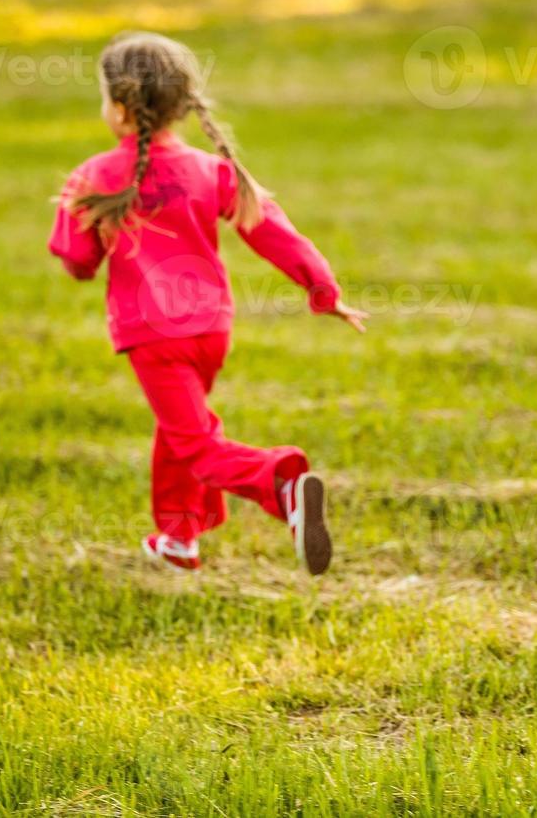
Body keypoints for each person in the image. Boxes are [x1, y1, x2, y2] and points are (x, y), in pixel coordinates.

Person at [49, 31, 366, 573]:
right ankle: (177, 539)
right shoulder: (209, 169)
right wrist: (323, 291)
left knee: (195, 443)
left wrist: (81, 240)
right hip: (211, 330)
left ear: (121, 110)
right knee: (179, 430)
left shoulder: (96, 174)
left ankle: (281, 481)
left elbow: (78, 261)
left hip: (153, 335)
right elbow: (275, 232)